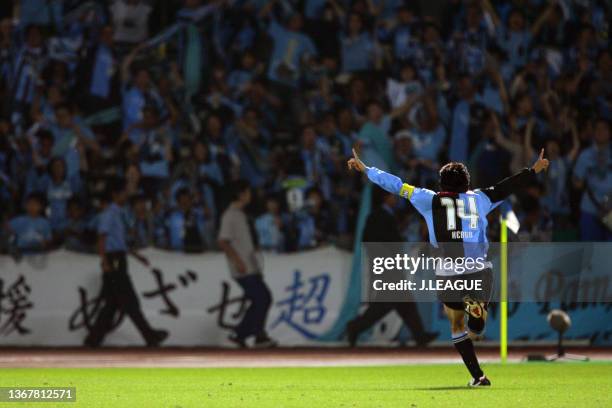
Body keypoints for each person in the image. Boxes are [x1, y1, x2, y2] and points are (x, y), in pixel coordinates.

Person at [347, 148, 550, 387]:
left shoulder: (428, 198)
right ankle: (478, 313)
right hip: (479, 270)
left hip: (448, 272)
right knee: (477, 314)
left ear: (441, 184)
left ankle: (478, 376)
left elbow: (396, 185)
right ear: (467, 183)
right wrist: (534, 169)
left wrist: (367, 170)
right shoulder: (480, 198)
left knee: (456, 326)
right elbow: (508, 185)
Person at [345, 188, 438, 347]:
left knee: (404, 302)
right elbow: (374, 242)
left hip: (389, 266)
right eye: (392, 196)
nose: (395, 199)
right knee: (386, 304)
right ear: (385, 198)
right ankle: (354, 327)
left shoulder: (383, 216)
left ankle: (420, 335)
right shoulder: (379, 216)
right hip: (387, 267)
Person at [84, 179, 168, 347]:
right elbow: (102, 237)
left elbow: (119, 242)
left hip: (117, 257)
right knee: (129, 301)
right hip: (113, 259)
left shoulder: (118, 213)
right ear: (115, 194)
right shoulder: (110, 214)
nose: (126, 195)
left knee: (112, 304)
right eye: (123, 192)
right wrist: (105, 260)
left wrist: (136, 255)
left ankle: (93, 339)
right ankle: (149, 335)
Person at [218, 180, 277, 348]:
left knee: (261, 298)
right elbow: (223, 241)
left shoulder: (239, 214)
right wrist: (238, 261)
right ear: (241, 194)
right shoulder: (230, 215)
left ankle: (254, 334)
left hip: (249, 266)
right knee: (262, 298)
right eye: (248, 192)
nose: (250, 196)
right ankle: (246, 333)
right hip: (242, 267)